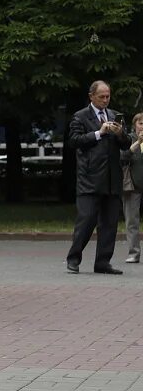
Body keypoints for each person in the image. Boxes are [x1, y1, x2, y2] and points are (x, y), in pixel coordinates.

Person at [66, 81, 130, 275]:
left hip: (112, 178)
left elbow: (126, 144)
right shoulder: (80, 116)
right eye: (101, 96)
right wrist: (98, 133)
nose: (105, 100)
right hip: (90, 178)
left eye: (108, 96)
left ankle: (103, 262)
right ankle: (73, 258)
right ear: (91, 96)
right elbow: (74, 141)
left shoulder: (114, 115)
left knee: (110, 223)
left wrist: (120, 134)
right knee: (86, 220)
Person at [123, 113, 143, 263]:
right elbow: (122, 157)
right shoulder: (128, 138)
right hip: (133, 185)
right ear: (135, 125)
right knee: (132, 222)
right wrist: (138, 143)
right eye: (141, 123)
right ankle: (133, 253)